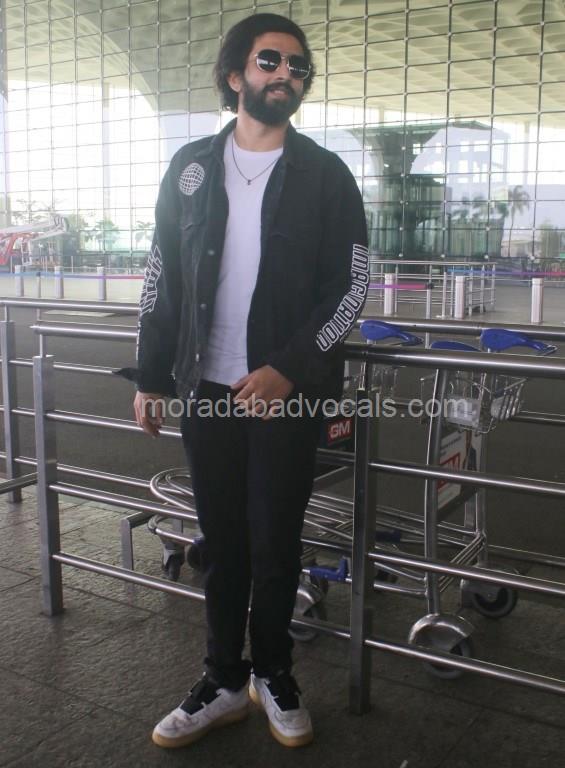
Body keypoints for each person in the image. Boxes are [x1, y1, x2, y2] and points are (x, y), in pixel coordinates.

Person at [127, 12, 368, 750]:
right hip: (206, 389)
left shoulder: (325, 175)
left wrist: (288, 368)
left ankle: (274, 674)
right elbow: (162, 273)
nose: (285, 75)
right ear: (236, 75)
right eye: (271, 61)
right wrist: (151, 373)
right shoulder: (192, 168)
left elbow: (352, 287)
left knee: (275, 542)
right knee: (223, 541)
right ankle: (224, 680)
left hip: (284, 395)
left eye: (298, 67)